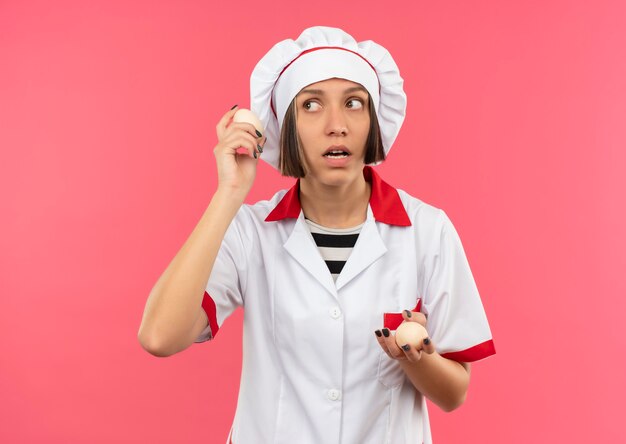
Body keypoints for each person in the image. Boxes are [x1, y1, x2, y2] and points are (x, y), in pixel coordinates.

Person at [138, 26, 495, 444]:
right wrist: (229, 194)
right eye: (311, 105)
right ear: (287, 126)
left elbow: (455, 393)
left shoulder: (428, 231)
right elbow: (159, 336)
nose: (336, 125)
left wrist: (413, 359)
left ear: (374, 120)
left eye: (354, 103)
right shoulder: (251, 231)